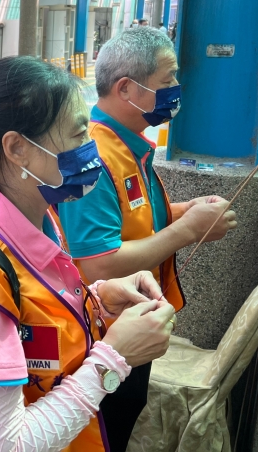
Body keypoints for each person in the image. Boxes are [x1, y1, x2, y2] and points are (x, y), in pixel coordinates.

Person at [0, 56, 176, 452]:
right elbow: (2, 446)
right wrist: (113, 360)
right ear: (17, 148)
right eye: (78, 134)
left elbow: (33, 318)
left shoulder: (38, 212)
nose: (91, 148)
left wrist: (99, 301)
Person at [57, 27, 237, 451]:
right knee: (106, 431)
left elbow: (130, 220)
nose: (176, 88)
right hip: (104, 335)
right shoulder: (96, 156)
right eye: (167, 79)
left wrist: (185, 211)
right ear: (126, 88)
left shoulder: (127, 146)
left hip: (132, 323)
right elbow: (97, 263)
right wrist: (187, 231)